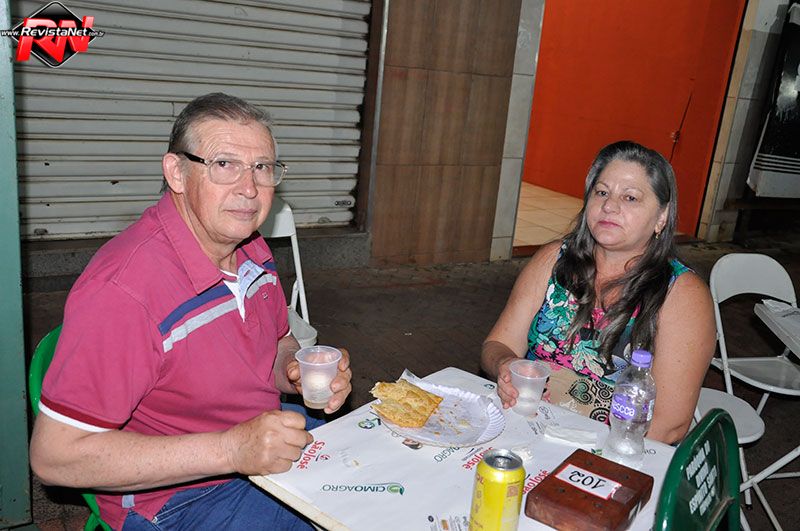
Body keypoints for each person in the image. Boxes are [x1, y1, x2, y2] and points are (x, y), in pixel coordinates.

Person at [29, 93, 352, 530]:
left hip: (254, 441)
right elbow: (55, 457)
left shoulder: (250, 247)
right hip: (174, 498)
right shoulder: (124, 291)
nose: (249, 188)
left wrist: (295, 368)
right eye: (224, 164)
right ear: (176, 173)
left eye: (262, 167)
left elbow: (277, 343)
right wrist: (231, 450)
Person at [480, 140, 715, 445]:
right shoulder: (553, 261)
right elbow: (497, 344)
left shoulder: (682, 295)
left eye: (630, 197)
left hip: (612, 448)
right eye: (602, 192)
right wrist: (505, 364)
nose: (609, 206)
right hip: (528, 427)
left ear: (661, 217)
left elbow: (669, 425)